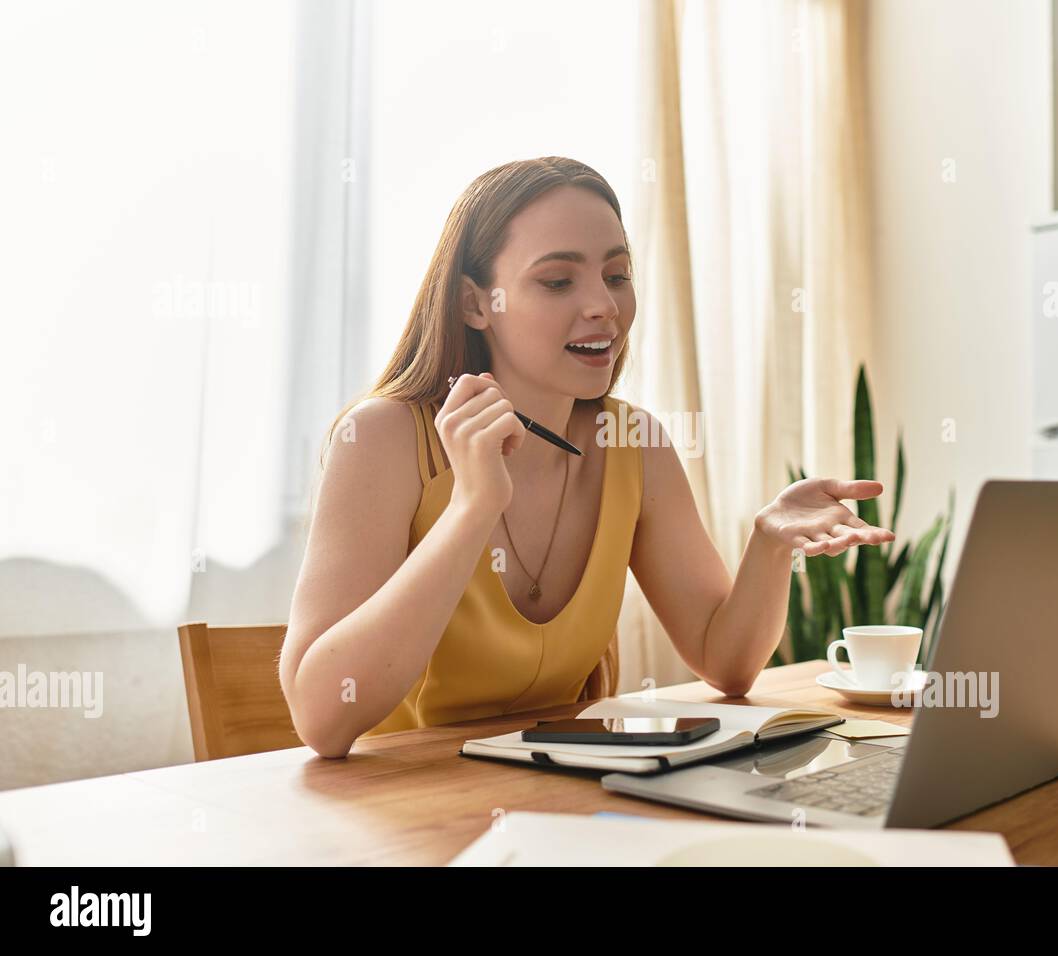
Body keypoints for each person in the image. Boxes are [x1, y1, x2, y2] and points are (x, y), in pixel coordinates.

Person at [278, 156, 893, 758]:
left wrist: (770, 541)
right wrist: (473, 506)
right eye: (557, 281)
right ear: (473, 303)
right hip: (399, 825)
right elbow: (322, 720)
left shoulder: (635, 444)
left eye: (617, 274)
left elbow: (725, 664)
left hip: (559, 801)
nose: (604, 305)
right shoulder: (382, 438)